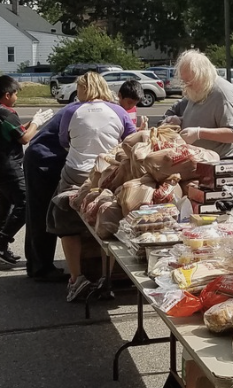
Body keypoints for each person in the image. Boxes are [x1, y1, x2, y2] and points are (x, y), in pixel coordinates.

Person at [46, 72, 136, 302]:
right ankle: (107, 278)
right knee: (109, 224)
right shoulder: (119, 111)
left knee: (67, 222)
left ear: (83, 89)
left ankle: (76, 279)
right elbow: (131, 141)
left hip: (75, 173)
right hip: (107, 173)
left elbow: (63, 141)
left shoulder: (70, 110)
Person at [0, 76, 52, 266]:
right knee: (24, 203)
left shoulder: (3, 113)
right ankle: (3, 240)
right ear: (7, 95)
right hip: (9, 166)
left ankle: (1, 246)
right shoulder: (6, 113)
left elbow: (18, 131)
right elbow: (25, 139)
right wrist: (37, 123)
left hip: (2, 166)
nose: (16, 97)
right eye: (15, 94)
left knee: (5, 206)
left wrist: (32, 122)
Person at [161, 50, 233, 158]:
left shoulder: (223, 93)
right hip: (202, 160)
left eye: (190, 81)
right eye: (184, 81)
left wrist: (199, 133)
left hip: (224, 162)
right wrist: (180, 121)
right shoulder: (198, 89)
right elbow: (203, 119)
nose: (186, 86)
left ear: (202, 75)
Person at [24, 110, 69, 281]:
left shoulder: (80, 107)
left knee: (38, 212)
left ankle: (36, 264)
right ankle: (41, 268)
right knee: (42, 212)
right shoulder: (81, 111)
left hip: (43, 156)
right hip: (44, 160)